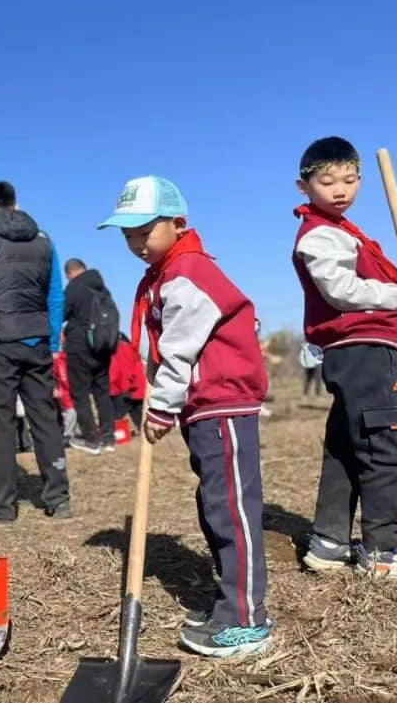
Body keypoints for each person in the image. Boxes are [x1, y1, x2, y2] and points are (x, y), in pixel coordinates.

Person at [100, 175, 273, 658]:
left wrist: (158, 408)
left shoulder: (187, 275)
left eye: (144, 232)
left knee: (231, 509)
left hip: (223, 403)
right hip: (205, 407)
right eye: (127, 235)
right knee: (214, 504)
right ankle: (231, 600)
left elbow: (178, 354)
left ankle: (247, 619)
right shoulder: (169, 274)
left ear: (177, 224)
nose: (135, 243)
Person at [293, 136, 397, 581]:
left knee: (347, 446)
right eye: (327, 181)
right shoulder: (320, 235)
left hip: (367, 350)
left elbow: (366, 304)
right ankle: (381, 551)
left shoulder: (345, 233)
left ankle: (329, 541)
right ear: (304, 187)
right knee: (390, 445)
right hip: (362, 354)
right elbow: (341, 292)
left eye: (349, 179)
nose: (340, 189)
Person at [0, 180, 71, 524]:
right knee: (45, 419)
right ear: (17, 203)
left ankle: (3, 507)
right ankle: (58, 498)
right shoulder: (44, 241)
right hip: (36, 341)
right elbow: (56, 296)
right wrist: (51, 342)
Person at [63, 258, 119, 453]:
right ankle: (109, 437)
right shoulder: (102, 289)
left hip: (79, 345)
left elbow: (61, 313)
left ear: (69, 273)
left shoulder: (73, 289)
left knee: (80, 393)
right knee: (102, 392)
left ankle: (91, 438)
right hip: (102, 345)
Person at [109, 332, 146, 435]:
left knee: (113, 416)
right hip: (138, 389)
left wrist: (110, 387)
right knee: (139, 417)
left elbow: (117, 371)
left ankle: (114, 435)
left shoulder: (119, 349)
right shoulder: (132, 348)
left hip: (127, 390)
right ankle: (145, 434)